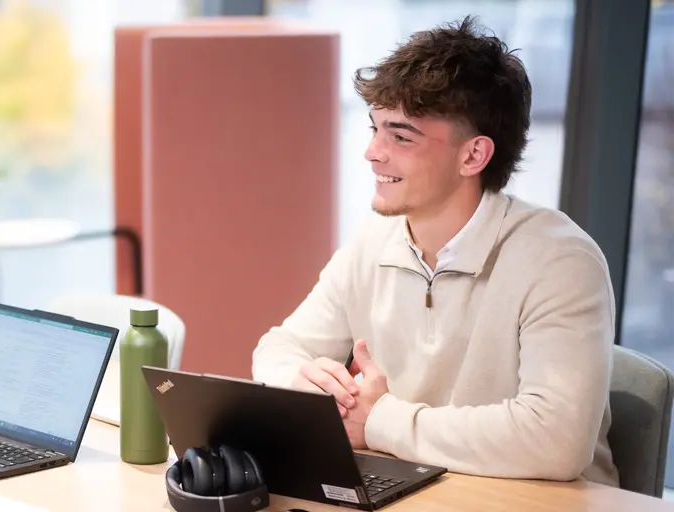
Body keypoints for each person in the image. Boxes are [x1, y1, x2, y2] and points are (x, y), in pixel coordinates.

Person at [251, 16, 619, 486]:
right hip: (426, 488)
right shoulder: (374, 243)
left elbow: (556, 440)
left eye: (401, 136)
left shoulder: (561, 262)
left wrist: (380, 421)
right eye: (375, 128)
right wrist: (301, 381)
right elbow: (278, 348)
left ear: (473, 156)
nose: (372, 152)